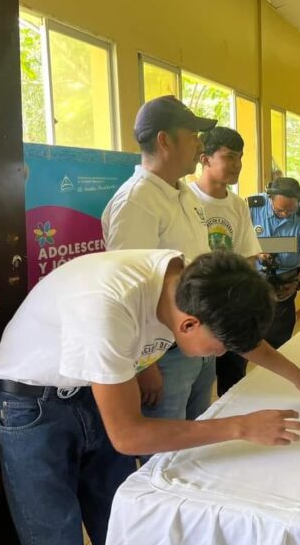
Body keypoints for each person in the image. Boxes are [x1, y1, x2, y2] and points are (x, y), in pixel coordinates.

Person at [0, 250, 300, 545]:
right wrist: (241, 428)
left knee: (117, 515)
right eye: (219, 347)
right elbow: (129, 437)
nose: (222, 353)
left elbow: (237, 335)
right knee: (53, 530)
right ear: (188, 325)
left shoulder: (190, 286)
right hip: (31, 405)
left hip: (94, 386)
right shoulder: (105, 309)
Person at [102, 95, 217, 424]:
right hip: (164, 355)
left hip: (197, 341)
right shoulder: (137, 202)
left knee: (196, 438)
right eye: (193, 135)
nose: (200, 145)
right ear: (165, 140)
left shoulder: (185, 196)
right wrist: (144, 364)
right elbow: (126, 289)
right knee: (166, 456)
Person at [189, 126, 262, 395]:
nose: (237, 165)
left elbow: (247, 256)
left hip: (230, 309)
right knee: (196, 390)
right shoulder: (187, 199)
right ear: (205, 159)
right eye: (229, 156)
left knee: (233, 383)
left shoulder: (237, 204)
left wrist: (246, 305)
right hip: (197, 311)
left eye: (240, 157)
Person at [248, 176, 300, 348]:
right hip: (252, 279)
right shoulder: (251, 207)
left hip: (285, 282)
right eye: (280, 210)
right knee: (247, 333)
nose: (285, 215)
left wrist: (296, 283)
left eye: (290, 210)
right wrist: (257, 252)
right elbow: (237, 240)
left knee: (279, 337)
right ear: (269, 199)